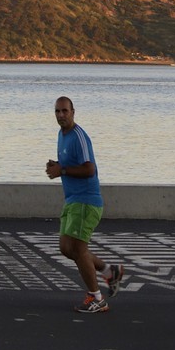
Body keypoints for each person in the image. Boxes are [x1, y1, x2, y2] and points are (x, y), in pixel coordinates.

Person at [45, 95, 123, 314]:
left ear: (73, 112)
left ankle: (96, 298)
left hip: (86, 201)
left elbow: (90, 169)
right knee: (66, 248)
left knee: (78, 249)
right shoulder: (62, 135)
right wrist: (58, 165)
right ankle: (109, 271)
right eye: (57, 111)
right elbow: (69, 165)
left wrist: (62, 170)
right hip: (72, 200)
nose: (61, 115)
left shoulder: (79, 136)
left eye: (65, 111)